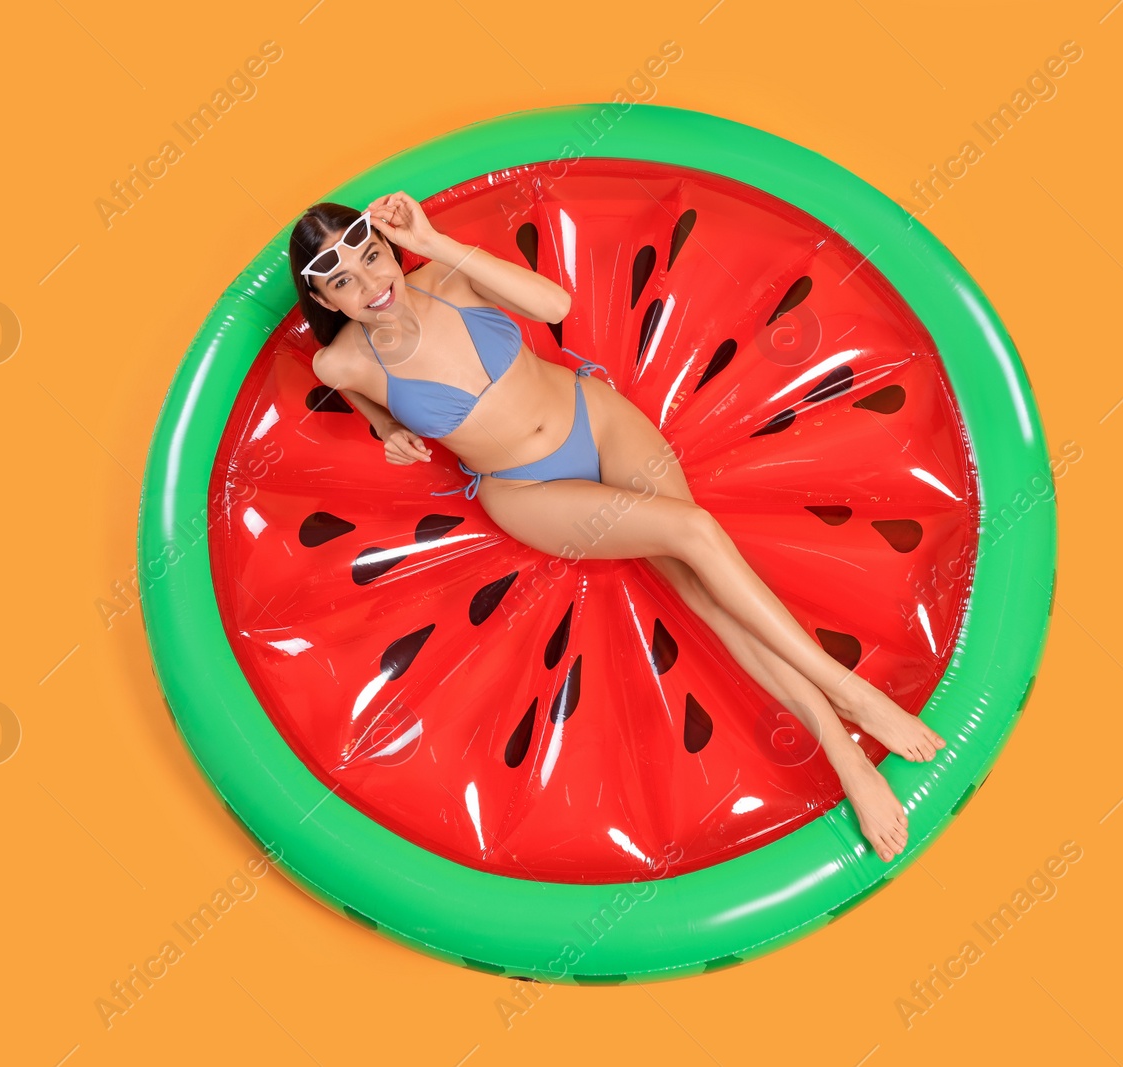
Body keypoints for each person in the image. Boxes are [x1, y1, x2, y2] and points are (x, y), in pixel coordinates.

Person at [291, 190, 946, 863]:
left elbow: (555, 307)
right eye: (345, 281)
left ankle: (847, 733)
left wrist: (434, 243)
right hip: (531, 488)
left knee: (700, 583)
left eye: (374, 258)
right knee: (694, 539)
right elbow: (368, 404)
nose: (372, 284)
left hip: (596, 418)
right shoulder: (341, 361)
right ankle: (849, 719)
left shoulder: (446, 273)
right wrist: (391, 428)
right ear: (328, 301)